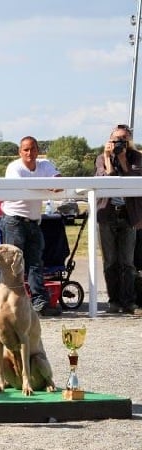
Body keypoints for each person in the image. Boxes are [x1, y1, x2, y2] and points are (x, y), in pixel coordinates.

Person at [2, 136, 62, 316]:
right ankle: (11, 304)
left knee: (36, 264)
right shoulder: (14, 167)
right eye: (26, 149)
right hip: (14, 220)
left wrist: (55, 183)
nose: (29, 153)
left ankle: (40, 303)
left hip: (34, 221)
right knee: (13, 265)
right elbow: (23, 188)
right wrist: (49, 187)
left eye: (33, 149)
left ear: (38, 150)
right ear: (20, 152)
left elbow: (59, 180)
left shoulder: (45, 165)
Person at [94, 124, 142, 315]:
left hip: (128, 215)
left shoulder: (136, 157)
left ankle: (129, 301)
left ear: (129, 140)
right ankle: (114, 301)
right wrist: (108, 157)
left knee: (127, 262)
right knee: (110, 262)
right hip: (107, 214)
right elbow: (105, 179)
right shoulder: (101, 157)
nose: (119, 143)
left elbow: (134, 178)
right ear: (110, 140)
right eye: (116, 139)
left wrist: (122, 158)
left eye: (123, 139)